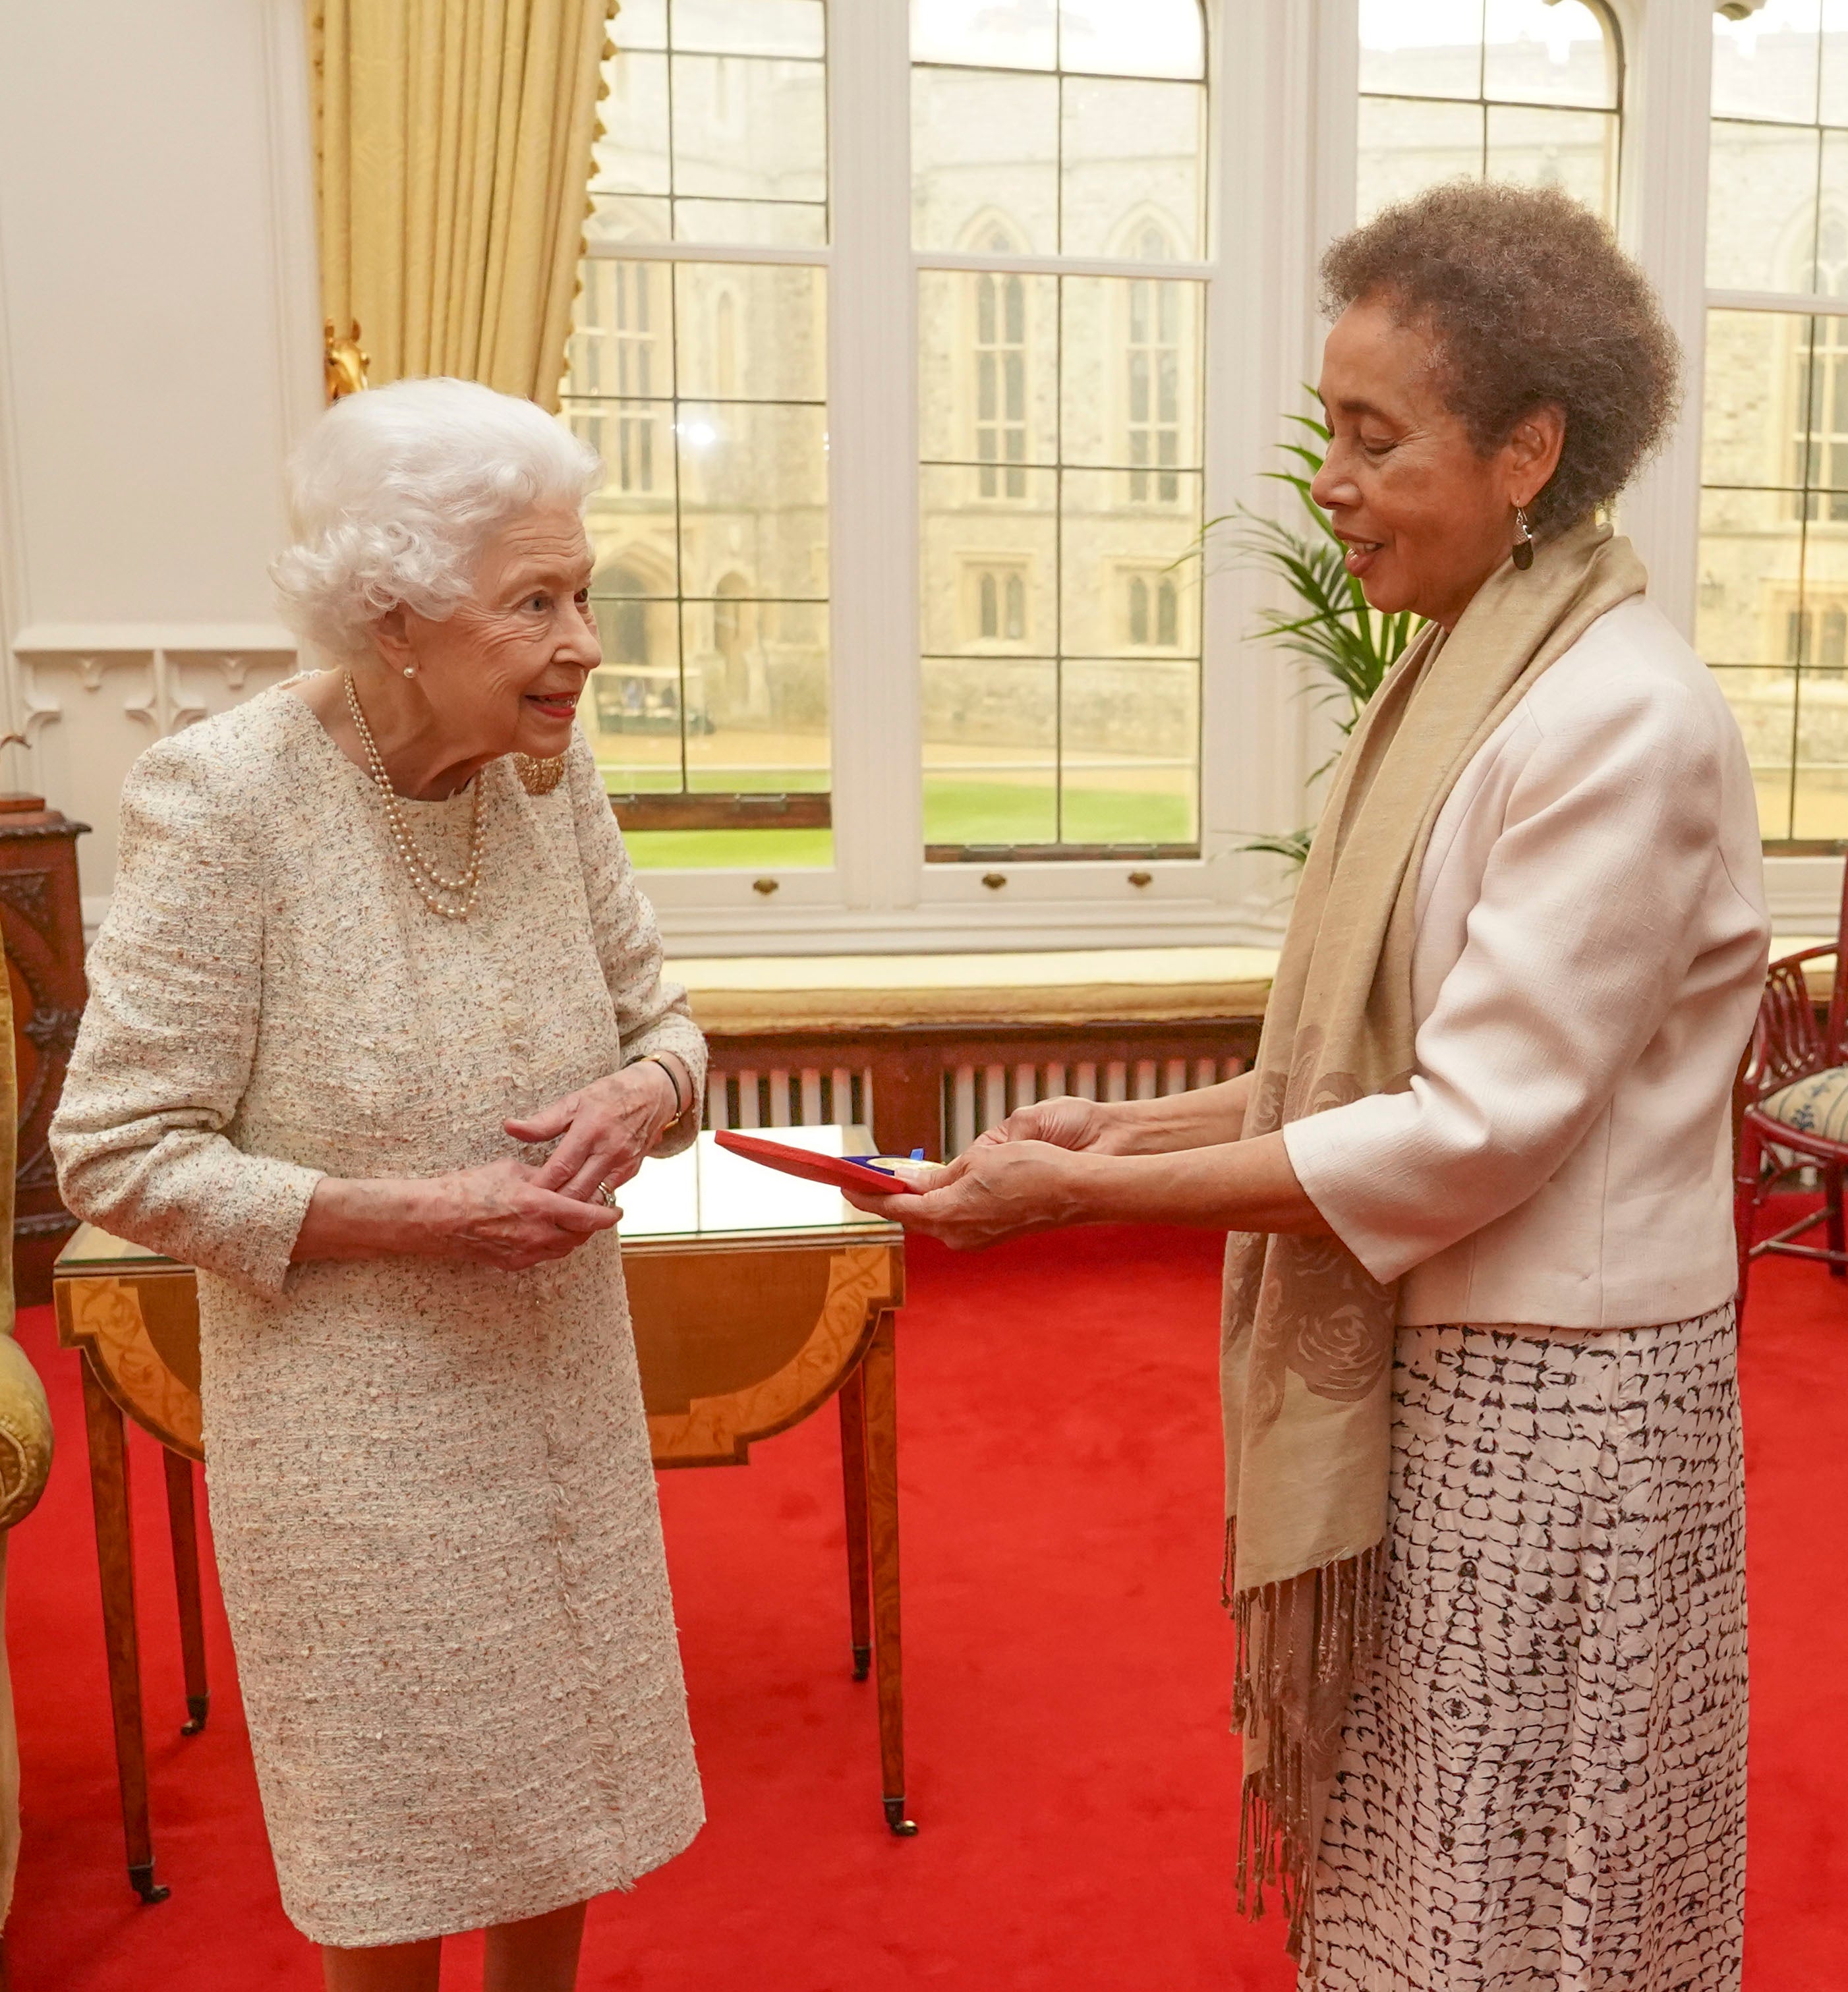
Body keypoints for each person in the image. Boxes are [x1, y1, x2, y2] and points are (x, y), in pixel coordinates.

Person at [852, 183, 1766, 1992]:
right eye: (1324, 434)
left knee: (1521, 1886)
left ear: (1529, 451)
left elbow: (1475, 1126)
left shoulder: (1614, 716)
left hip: (1560, 1403)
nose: (1326, 483)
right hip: (1452, 1359)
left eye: (1371, 439)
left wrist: (1079, 1202)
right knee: (1427, 1856)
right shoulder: (1460, 673)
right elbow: (1372, 1061)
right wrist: (1138, 1125)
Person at [51, 378, 707, 1992]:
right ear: (396, 616)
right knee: (401, 1846)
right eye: (536, 603)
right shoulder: (229, 799)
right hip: (360, 1455)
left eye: (583, 594)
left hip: (556, 1405)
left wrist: (646, 1089)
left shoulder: (549, 777)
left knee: (567, 1813)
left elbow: (674, 1028)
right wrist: (412, 1215)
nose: (582, 644)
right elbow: (117, 1151)